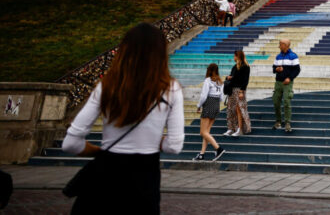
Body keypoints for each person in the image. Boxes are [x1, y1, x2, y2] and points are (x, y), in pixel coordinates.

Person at [61, 23, 184, 213]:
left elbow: (70, 143)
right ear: (160, 53)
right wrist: (153, 139)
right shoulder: (171, 89)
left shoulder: (107, 85)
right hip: (144, 180)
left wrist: (99, 152)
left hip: (104, 177)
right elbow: (174, 146)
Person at [193, 63, 225, 161]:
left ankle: (218, 148)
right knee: (207, 132)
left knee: (203, 132)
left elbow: (203, 95)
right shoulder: (220, 81)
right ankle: (202, 154)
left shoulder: (208, 80)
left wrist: (199, 106)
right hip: (216, 105)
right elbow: (221, 97)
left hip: (208, 103)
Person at [273, 38, 301, 132]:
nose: (279, 46)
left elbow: (297, 69)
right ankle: (278, 121)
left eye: (280, 44)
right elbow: (273, 68)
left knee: (286, 102)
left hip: (287, 83)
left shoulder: (293, 56)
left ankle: (287, 123)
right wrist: (277, 69)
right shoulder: (278, 56)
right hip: (278, 82)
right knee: (276, 101)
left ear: (285, 45)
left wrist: (289, 78)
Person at [223, 50, 251, 137]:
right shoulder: (235, 67)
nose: (233, 58)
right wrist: (228, 77)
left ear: (238, 56)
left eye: (234, 56)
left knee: (240, 109)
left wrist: (242, 91)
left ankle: (240, 129)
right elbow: (232, 77)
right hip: (232, 90)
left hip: (239, 90)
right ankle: (231, 128)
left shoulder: (245, 67)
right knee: (231, 109)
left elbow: (245, 80)